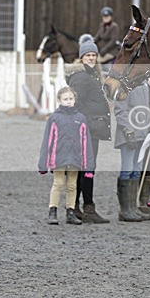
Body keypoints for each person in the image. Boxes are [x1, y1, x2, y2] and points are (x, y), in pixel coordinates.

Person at [66, 35, 111, 223]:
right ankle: (77, 207)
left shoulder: (92, 75)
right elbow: (76, 104)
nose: (91, 58)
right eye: (88, 55)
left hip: (93, 130)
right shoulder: (81, 77)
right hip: (85, 131)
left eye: (93, 55)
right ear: (81, 57)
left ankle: (86, 206)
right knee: (84, 169)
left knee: (88, 169)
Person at [38, 86, 93, 225]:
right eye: (65, 99)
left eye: (71, 99)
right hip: (58, 158)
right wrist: (43, 164)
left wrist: (89, 167)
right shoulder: (54, 118)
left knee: (72, 186)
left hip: (75, 159)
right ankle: (53, 210)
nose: (68, 101)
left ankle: (70, 212)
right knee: (58, 183)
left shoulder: (81, 119)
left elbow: (86, 143)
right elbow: (47, 141)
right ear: (59, 100)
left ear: (75, 100)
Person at [112, 77, 150, 222]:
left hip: (142, 134)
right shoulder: (124, 87)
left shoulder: (144, 84)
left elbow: (145, 108)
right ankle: (125, 209)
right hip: (129, 134)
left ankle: (133, 207)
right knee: (128, 167)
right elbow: (120, 110)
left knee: (137, 168)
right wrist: (128, 131)